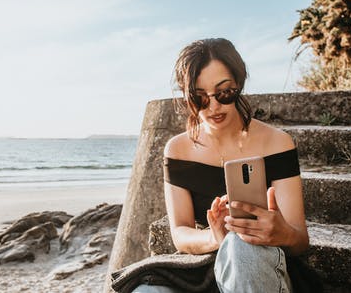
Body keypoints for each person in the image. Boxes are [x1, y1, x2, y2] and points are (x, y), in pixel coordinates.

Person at [131, 38, 309, 293]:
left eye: (224, 92)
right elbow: (180, 233)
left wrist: (281, 233)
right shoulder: (178, 149)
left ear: (239, 84)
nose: (214, 106)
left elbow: (300, 241)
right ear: (186, 96)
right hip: (206, 267)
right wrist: (213, 237)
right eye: (200, 97)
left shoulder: (277, 143)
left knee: (240, 245)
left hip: (261, 267)